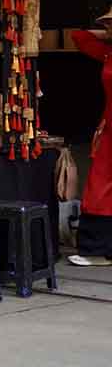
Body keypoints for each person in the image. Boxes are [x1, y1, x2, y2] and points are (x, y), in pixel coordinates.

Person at [68, 16, 112, 265]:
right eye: (108, 24)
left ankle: (99, 250)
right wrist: (105, 34)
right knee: (99, 187)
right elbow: (79, 36)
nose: (109, 28)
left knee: (102, 187)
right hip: (109, 127)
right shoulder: (108, 52)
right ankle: (99, 249)